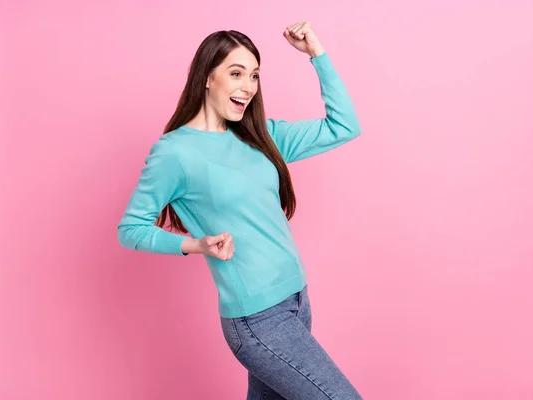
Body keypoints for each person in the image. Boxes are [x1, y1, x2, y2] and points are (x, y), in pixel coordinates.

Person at [117, 20, 362, 400]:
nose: (248, 86)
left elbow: (344, 126)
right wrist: (195, 245)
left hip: (297, 301)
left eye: (254, 75)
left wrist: (317, 53)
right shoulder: (175, 152)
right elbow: (130, 228)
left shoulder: (262, 136)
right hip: (258, 319)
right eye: (236, 73)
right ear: (207, 78)